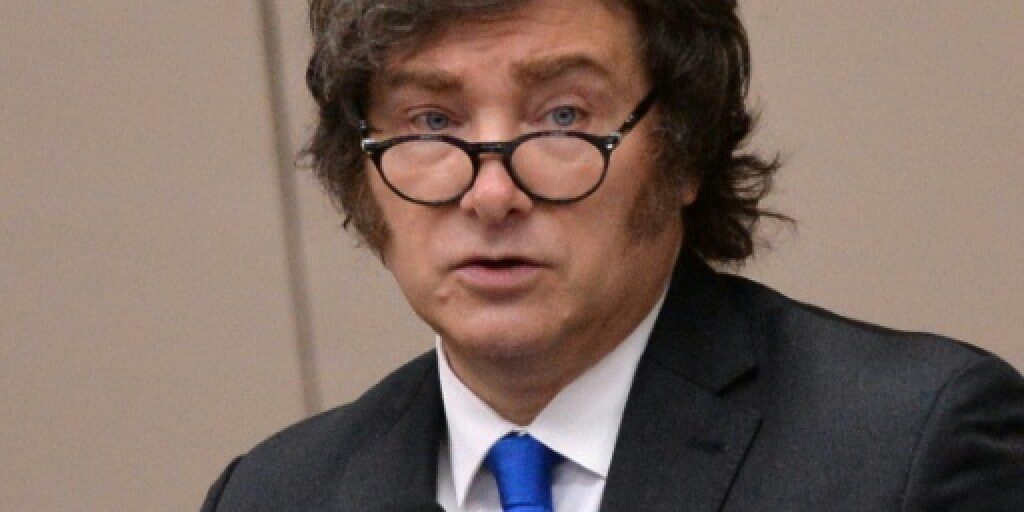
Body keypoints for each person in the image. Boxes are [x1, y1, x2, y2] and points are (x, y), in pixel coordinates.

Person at [202, 0, 1024, 510]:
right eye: (432, 123)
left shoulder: (911, 446)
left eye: (562, 117)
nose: (491, 193)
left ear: (685, 150)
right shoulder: (274, 496)